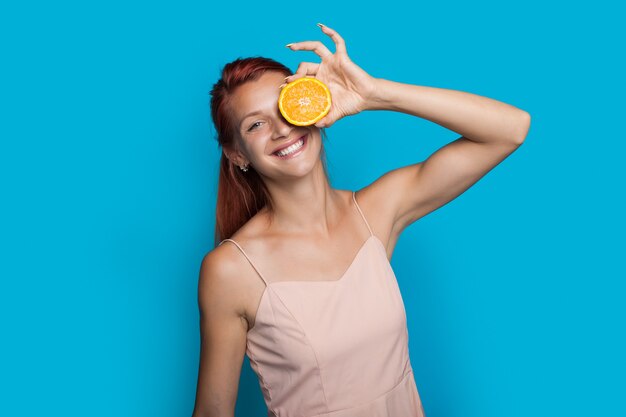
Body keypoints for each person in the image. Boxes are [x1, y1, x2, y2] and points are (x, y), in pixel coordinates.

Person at [192, 23, 530, 417]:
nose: (282, 128)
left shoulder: (377, 211)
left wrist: (374, 94)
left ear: (313, 106)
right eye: (255, 124)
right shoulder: (230, 270)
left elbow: (510, 130)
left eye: (288, 105)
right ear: (238, 155)